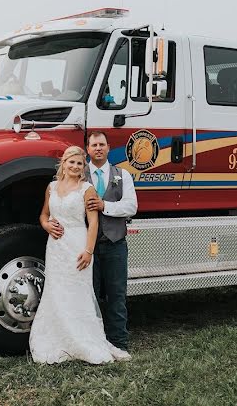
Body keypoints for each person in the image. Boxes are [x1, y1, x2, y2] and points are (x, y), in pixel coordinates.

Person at [29, 145, 131, 364]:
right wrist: (46, 226)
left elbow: (93, 222)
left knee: (79, 293)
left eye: (79, 163)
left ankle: (85, 341)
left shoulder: (87, 189)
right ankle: (58, 340)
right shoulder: (51, 187)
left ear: (83, 167)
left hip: (78, 244)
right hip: (55, 247)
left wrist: (88, 251)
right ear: (63, 164)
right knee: (56, 291)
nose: (75, 166)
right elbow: (44, 214)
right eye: (71, 162)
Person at [84, 131, 137, 351]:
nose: (98, 148)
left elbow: (131, 207)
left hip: (115, 244)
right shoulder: (78, 175)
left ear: (108, 148)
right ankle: (92, 343)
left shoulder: (122, 175)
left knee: (117, 295)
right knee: (89, 297)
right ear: (87, 149)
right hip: (87, 247)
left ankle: (119, 343)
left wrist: (105, 206)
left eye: (102, 144)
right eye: (94, 144)